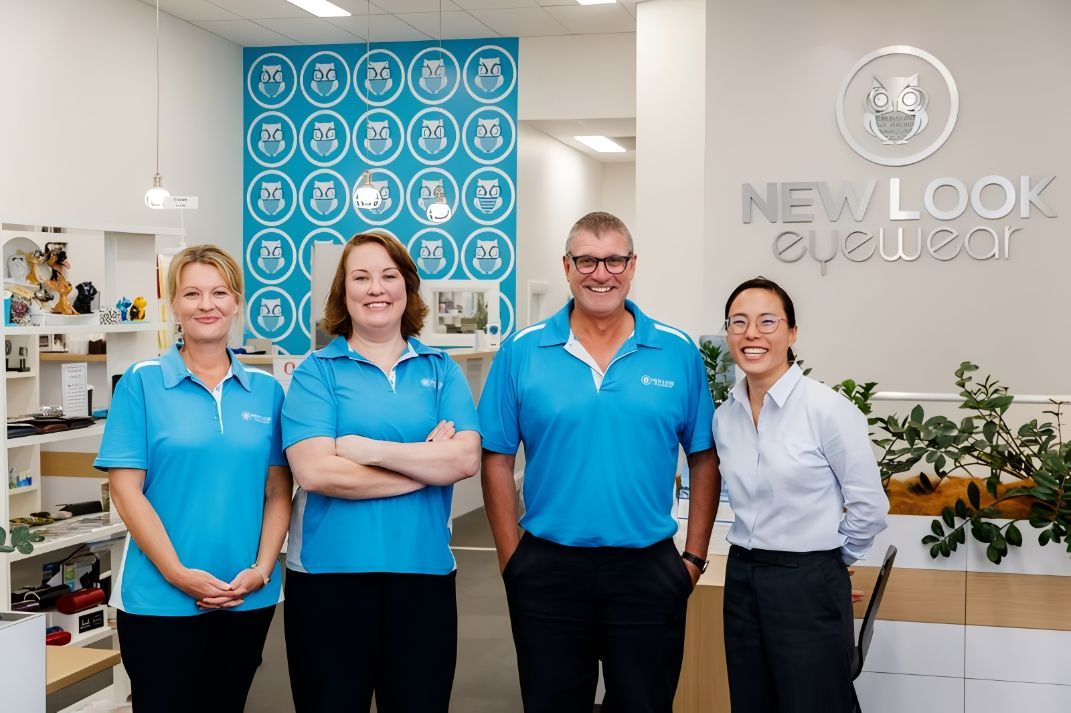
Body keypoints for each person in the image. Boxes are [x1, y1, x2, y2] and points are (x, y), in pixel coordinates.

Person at [479, 211, 719, 713]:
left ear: (632, 266)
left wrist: (692, 560)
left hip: (648, 569)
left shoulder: (676, 352)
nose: (601, 272)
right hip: (547, 568)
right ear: (567, 266)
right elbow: (496, 457)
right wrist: (511, 558)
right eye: (587, 259)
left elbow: (703, 456)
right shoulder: (522, 351)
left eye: (613, 259)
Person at [282, 232, 481, 713]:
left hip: (423, 574)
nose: (377, 289)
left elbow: (465, 460)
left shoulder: (440, 368)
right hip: (329, 579)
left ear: (407, 288)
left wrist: (366, 449)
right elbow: (317, 473)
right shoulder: (316, 371)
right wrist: (424, 466)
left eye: (389, 276)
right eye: (362, 277)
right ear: (343, 291)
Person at [95, 245, 292, 711]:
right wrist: (177, 574)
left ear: (237, 301)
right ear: (174, 306)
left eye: (220, 292)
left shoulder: (265, 391)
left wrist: (262, 571)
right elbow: (126, 489)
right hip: (159, 598)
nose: (207, 305)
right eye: (192, 293)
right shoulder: (141, 383)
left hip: (244, 594)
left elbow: (279, 491)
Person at [714, 276, 889, 713]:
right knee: (750, 701)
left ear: (791, 333)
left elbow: (869, 506)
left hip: (807, 579)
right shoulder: (725, 416)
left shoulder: (826, 408)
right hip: (742, 578)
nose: (752, 333)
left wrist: (830, 561)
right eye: (739, 322)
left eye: (767, 321)